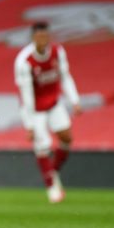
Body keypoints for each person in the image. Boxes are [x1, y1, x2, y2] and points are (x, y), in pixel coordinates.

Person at [14, 21, 81, 203]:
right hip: (34, 109)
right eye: (39, 36)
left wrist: (74, 100)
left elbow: (65, 76)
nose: (43, 39)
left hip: (53, 103)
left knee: (66, 137)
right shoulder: (24, 61)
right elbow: (26, 95)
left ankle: (52, 172)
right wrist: (29, 125)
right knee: (42, 146)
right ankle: (52, 187)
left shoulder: (57, 52)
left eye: (45, 35)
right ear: (33, 38)